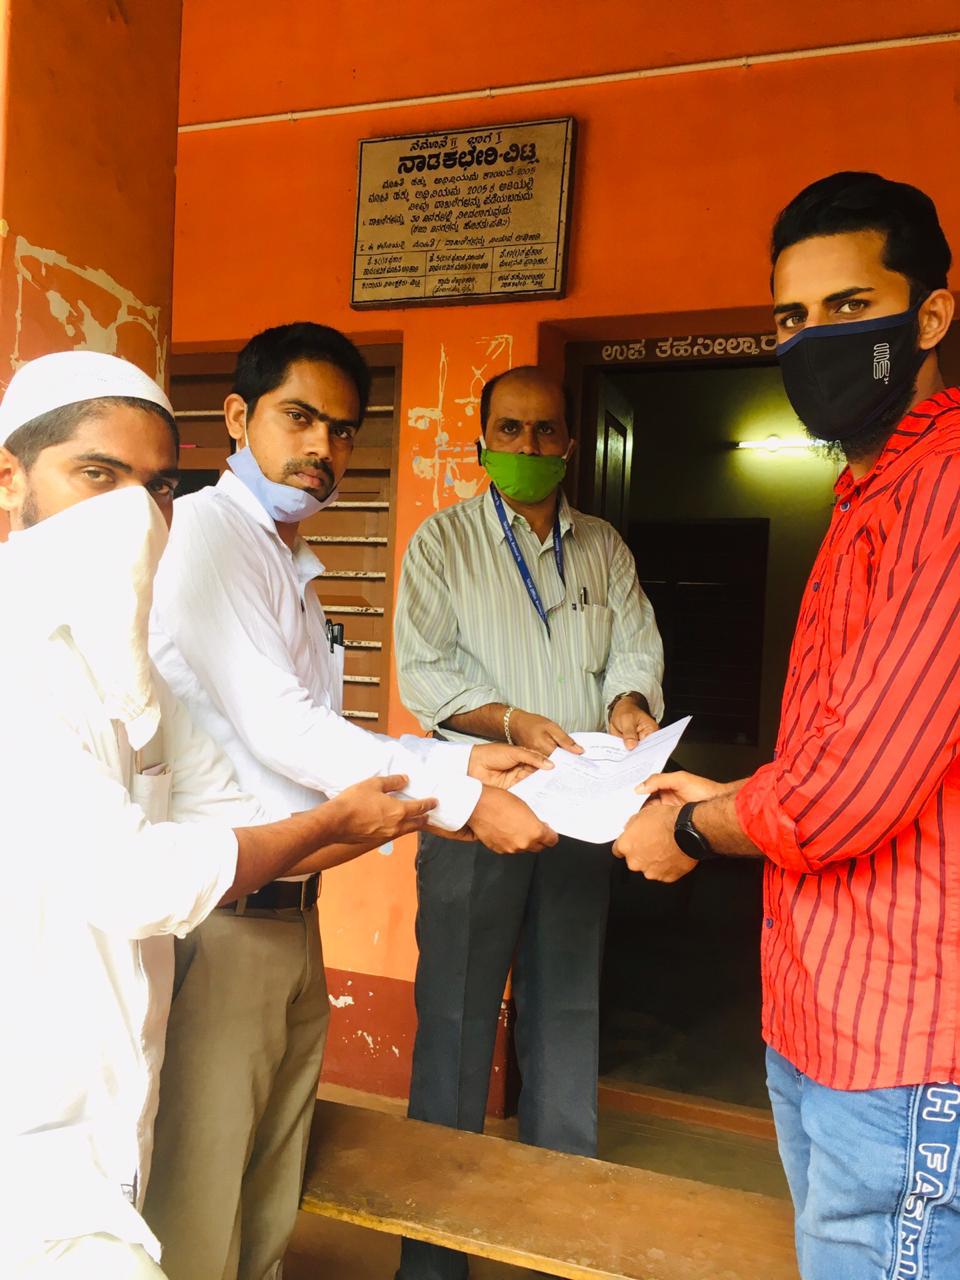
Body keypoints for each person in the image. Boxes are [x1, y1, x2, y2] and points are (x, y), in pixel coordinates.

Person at [0, 351, 436, 1278]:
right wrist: (377, 811)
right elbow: (139, 878)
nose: (133, 514)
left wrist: (408, 803)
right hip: (29, 1119)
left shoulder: (126, 668)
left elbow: (226, 811)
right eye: (97, 475)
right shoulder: (15, 658)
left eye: (157, 487)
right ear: (11, 479)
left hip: (110, 1094)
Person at [143, 323, 554, 1280]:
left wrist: (466, 758)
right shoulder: (209, 536)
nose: (321, 447)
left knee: (267, 1198)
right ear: (237, 418)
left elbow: (321, 738)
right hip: (224, 925)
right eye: (298, 418)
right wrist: (462, 800)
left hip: (292, 916)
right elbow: (286, 731)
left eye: (341, 429)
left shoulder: (289, 566)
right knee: (202, 1213)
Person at [614, 172, 960, 1280]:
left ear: (931, 316)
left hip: (905, 1039)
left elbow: (853, 789)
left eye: (851, 308)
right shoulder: (867, 498)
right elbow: (843, 749)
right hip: (822, 1011)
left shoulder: (947, 489)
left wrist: (695, 826)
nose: (813, 340)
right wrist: (719, 794)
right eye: (790, 318)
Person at [393, 365, 664, 1280]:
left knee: (567, 1011)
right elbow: (426, 674)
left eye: (546, 430)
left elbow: (635, 645)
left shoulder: (604, 548)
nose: (529, 446)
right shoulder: (442, 543)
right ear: (483, 443)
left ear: (571, 445)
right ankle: (433, 1256)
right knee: (455, 1016)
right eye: (510, 430)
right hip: (478, 813)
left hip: (582, 815)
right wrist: (509, 721)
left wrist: (628, 702)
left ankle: (560, 1239)